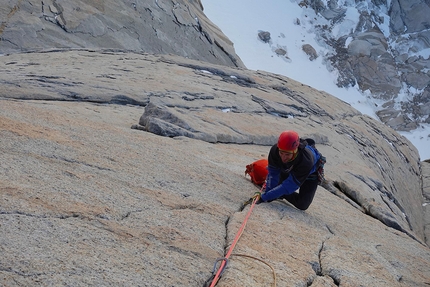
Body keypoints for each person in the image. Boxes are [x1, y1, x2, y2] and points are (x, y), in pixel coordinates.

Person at [253, 130, 323, 210]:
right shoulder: (275, 150)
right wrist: (268, 194)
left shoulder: (306, 160)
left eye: (287, 154)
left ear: (295, 151)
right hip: (288, 168)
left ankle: (280, 193)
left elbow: (289, 186)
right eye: (281, 153)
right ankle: (278, 192)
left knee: (302, 204)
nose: (283, 157)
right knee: (275, 189)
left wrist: (264, 197)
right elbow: (273, 174)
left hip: (310, 173)